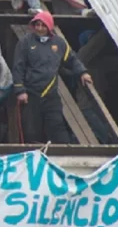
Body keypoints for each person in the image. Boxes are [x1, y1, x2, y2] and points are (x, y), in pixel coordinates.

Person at [13, 11, 93, 144]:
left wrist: (83, 72)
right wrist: (20, 90)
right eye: (37, 25)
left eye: (43, 25)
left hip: (51, 94)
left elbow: (72, 59)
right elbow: (18, 67)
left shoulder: (59, 43)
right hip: (31, 93)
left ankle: (63, 155)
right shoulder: (25, 42)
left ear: (49, 26)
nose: (39, 28)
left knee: (57, 126)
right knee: (31, 130)